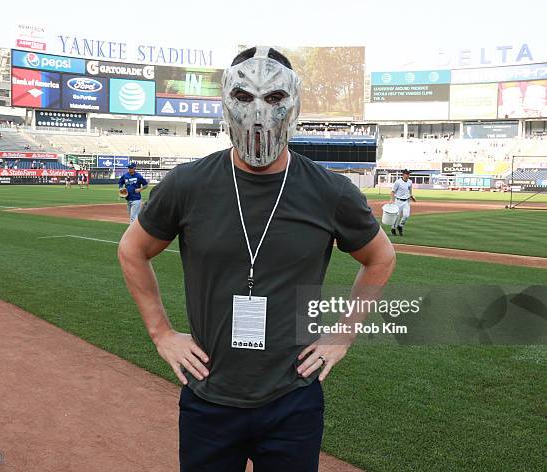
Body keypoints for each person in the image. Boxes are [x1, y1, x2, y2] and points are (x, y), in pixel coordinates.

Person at [118, 47, 396, 472]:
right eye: (245, 98)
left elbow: (380, 257)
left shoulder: (330, 191)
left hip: (292, 401)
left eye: (274, 98)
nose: (260, 114)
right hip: (209, 398)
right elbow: (132, 249)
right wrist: (160, 332)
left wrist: (342, 336)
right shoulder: (188, 184)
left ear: (294, 103)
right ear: (227, 102)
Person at [389, 169, 416, 236]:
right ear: (403, 174)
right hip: (398, 201)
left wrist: (412, 197)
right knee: (397, 216)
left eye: (409, 174)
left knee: (406, 215)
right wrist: (391, 200)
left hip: (406, 201)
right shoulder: (398, 182)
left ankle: (400, 226)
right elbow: (393, 191)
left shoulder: (410, 182)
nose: (408, 175)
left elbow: (410, 190)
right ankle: (393, 228)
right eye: (407, 174)